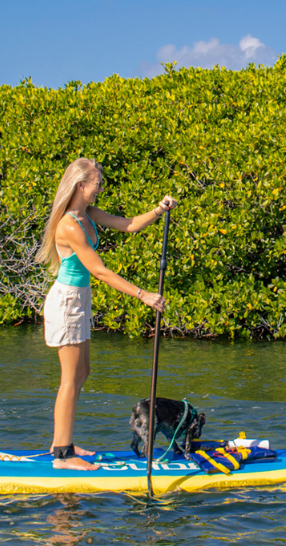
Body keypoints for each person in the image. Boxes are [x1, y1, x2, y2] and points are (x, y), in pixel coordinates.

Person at [35, 158, 178, 470]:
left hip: (79, 301)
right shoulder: (69, 225)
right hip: (67, 303)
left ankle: (66, 442)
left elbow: (128, 224)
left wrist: (159, 210)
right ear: (81, 185)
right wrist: (144, 295)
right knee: (69, 379)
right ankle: (62, 455)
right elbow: (99, 271)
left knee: (82, 372)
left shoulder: (87, 214)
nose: (100, 189)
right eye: (97, 184)